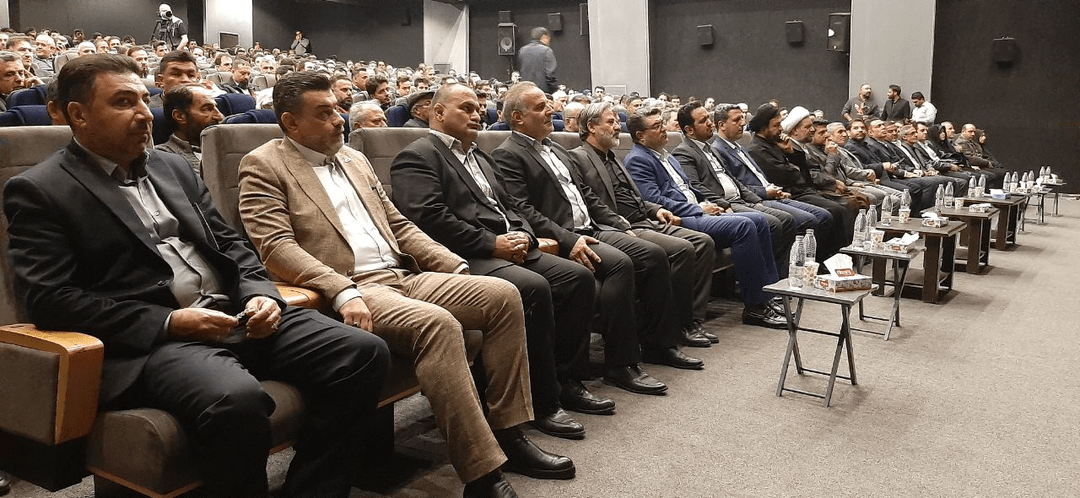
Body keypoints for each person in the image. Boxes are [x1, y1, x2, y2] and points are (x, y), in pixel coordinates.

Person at [3, 54, 390, 498]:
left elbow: (231, 246)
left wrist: (260, 294)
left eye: (144, 100)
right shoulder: (41, 189)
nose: (144, 114)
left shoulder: (171, 167)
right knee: (235, 400)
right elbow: (50, 299)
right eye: (123, 102)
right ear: (78, 114)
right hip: (158, 340)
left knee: (362, 352)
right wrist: (171, 322)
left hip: (235, 313)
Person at [237, 72, 573, 498]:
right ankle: (483, 474)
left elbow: (399, 225)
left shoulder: (354, 159)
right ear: (290, 122)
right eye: (323, 113)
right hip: (351, 286)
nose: (339, 119)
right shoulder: (263, 164)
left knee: (504, 295)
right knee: (438, 324)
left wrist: (453, 267)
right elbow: (276, 247)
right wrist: (340, 289)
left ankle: (509, 432)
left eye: (337, 109)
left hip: (402, 274)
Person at [390, 83, 613, 439]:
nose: (477, 114)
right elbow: (429, 219)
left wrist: (523, 233)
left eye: (478, 109)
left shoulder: (480, 156)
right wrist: (492, 244)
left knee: (578, 278)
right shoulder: (417, 155)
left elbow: (512, 206)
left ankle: (568, 380)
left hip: (508, 246)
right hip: (463, 255)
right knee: (533, 287)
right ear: (438, 112)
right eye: (466, 108)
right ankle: (542, 402)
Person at [492, 82, 704, 396]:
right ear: (518, 118)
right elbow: (523, 210)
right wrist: (567, 240)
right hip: (563, 235)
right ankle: (620, 364)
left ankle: (660, 344)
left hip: (593, 228)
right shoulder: (507, 153)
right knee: (620, 264)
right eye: (540, 107)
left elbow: (587, 196)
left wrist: (619, 223)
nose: (550, 111)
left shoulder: (557, 149)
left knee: (653, 254)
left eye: (548, 105)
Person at [569, 101, 718, 345]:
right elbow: (592, 202)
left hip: (644, 219)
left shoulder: (612, 156)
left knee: (702, 242)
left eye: (617, 122)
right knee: (682, 249)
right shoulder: (579, 157)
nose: (618, 127)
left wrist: (655, 209)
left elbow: (632, 196)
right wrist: (623, 225)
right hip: (620, 226)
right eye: (611, 122)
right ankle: (676, 327)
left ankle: (689, 320)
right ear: (592, 127)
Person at [623, 106, 785, 329]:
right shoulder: (637, 159)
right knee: (745, 225)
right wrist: (699, 209)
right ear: (640, 135)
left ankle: (767, 295)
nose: (664, 130)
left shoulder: (665, 155)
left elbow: (690, 188)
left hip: (696, 209)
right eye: (657, 126)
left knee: (758, 220)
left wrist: (712, 203)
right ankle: (755, 307)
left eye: (662, 124)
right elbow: (655, 200)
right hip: (680, 217)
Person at [673, 101, 796, 273]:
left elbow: (733, 180)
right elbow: (695, 186)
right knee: (771, 222)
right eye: (703, 121)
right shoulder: (683, 152)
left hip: (741, 199)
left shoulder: (710, 149)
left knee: (784, 219)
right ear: (689, 130)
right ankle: (765, 280)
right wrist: (725, 204)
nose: (710, 123)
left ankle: (775, 277)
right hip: (724, 203)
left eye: (708, 118)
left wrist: (756, 200)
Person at [746, 104, 853, 259]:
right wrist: (794, 168)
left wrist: (791, 152)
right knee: (832, 212)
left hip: (802, 189)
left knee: (842, 207)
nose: (780, 129)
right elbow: (785, 175)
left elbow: (802, 171)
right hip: (789, 193)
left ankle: (837, 257)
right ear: (763, 128)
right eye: (776, 126)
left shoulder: (775, 143)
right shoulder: (756, 149)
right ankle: (822, 259)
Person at [711, 104, 833, 239]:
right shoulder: (719, 150)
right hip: (758, 197)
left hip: (775, 193)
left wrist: (791, 153)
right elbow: (736, 184)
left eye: (742, 118)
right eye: (737, 120)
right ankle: (798, 253)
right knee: (813, 219)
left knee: (824, 215)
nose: (743, 123)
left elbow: (800, 173)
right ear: (722, 125)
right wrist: (764, 192)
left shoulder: (740, 147)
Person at [155, 84, 224, 174]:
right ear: (180, 116)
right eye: (207, 109)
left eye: (216, 108)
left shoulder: (228, 147)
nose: (219, 116)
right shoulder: (163, 156)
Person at [517, 27, 558, 93]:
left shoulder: (522, 50)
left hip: (526, 91)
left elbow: (520, 71)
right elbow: (550, 75)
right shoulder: (547, 51)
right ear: (544, 37)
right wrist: (555, 89)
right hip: (542, 92)